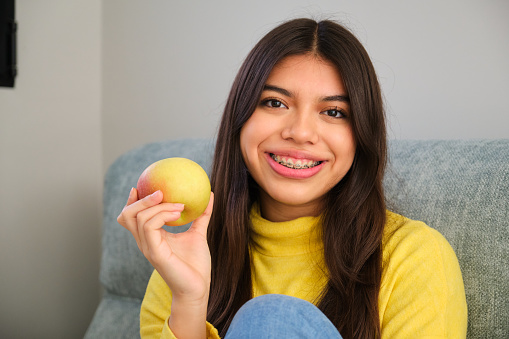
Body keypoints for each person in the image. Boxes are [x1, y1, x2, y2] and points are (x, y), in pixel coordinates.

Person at [117, 18, 468, 339]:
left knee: (270, 320)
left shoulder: (415, 257)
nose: (300, 133)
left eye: (333, 112)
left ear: (362, 135)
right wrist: (189, 299)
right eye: (275, 103)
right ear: (241, 119)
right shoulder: (186, 257)